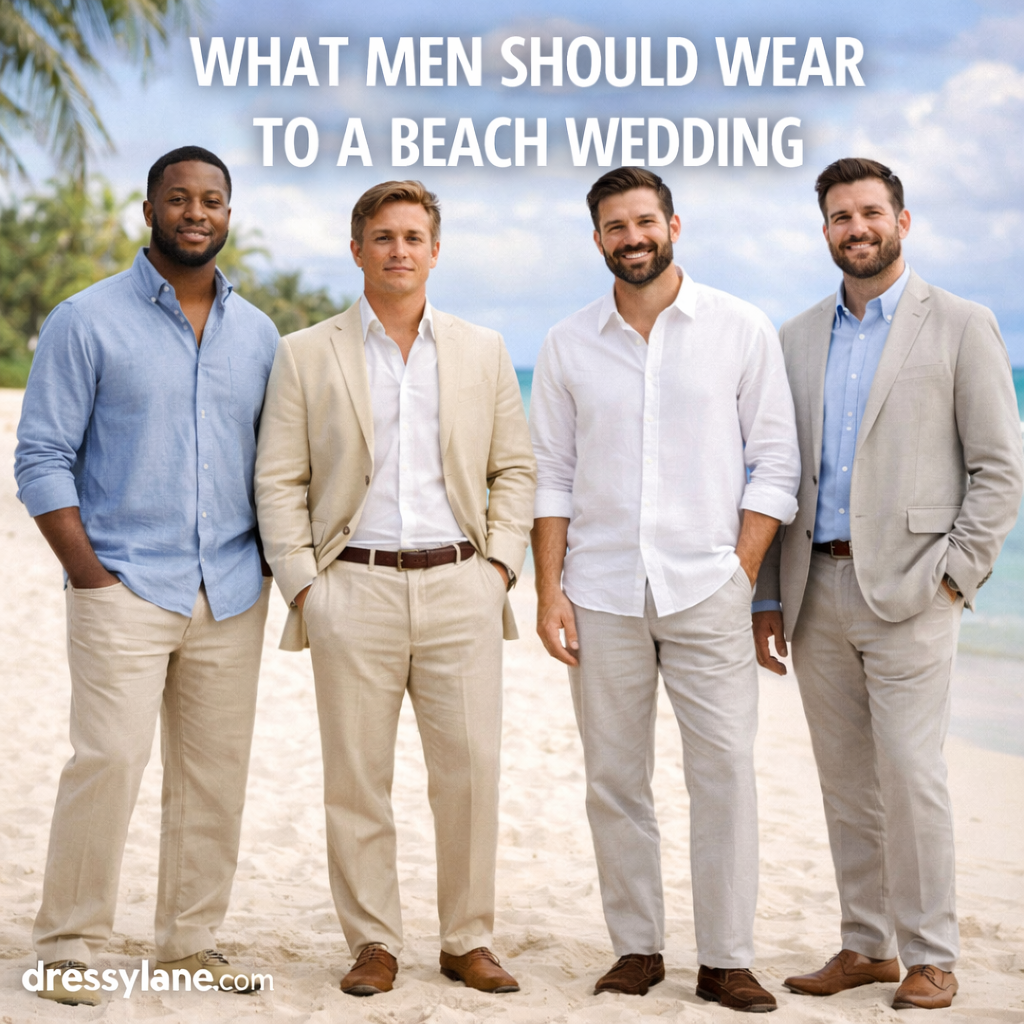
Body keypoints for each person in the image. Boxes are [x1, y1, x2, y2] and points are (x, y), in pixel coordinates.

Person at [753, 157, 1023, 1010]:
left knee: (912, 775)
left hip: (912, 593)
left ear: (903, 221)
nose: (856, 227)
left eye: (871, 212)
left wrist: (955, 576)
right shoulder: (793, 337)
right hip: (812, 589)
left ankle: (932, 952)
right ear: (824, 229)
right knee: (845, 782)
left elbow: (999, 469)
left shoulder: (962, 324)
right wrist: (765, 594)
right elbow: (769, 472)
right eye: (840, 215)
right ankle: (866, 945)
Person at [254, 180, 535, 997]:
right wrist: (307, 587)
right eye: (382, 237)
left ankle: (467, 940)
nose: (399, 250)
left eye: (413, 236)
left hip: (461, 586)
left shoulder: (482, 350)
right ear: (357, 250)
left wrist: (499, 571)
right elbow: (279, 481)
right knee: (356, 777)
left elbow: (513, 469)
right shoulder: (306, 352)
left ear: (435, 251)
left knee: (471, 772)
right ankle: (373, 942)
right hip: (353, 589)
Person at [530, 166, 800, 1012]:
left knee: (722, 772)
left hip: (707, 587)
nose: (632, 237)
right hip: (601, 590)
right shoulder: (568, 343)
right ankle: (637, 948)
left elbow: (776, 463)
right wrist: (549, 592)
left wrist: (740, 571)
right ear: (599, 238)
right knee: (615, 777)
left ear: (673, 226)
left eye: (645, 221)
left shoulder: (739, 328)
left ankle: (726, 958)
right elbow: (551, 480)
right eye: (615, 226)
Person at [14, 146, 279, 1005]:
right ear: (149, 210)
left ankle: (188, 943)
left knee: (213, 777)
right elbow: (42, 457)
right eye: (179, 198)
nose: (195, 212)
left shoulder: (261, 335)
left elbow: (277, 463)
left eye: (211, 200)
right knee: (109, 762)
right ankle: (68, 943)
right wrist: (89, 575)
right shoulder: (84, 320)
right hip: (123, 584)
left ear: (228, 215)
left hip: (232, 591)